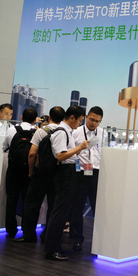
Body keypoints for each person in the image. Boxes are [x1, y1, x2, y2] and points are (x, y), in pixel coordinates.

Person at [44, 105, 88, 261]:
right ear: (72, 118)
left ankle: (55, 247)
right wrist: (79, 147)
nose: (80, 124)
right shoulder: (61, 132)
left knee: (62, 212)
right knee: (59, 212)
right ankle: (51, 250)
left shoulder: (67, 132)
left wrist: (77, 150)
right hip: (64, 173)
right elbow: (60, 156)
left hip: (69, 173)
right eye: (80, 120)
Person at [15, 106, 65, 243]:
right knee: (53, 205)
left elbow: (32, 154)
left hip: (41, 173)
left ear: (50, 117)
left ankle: (29, 235)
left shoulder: (41, 132)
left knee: (31, 204)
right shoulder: (64, 132)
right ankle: (48, 234)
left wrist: (31, 171)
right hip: (57, 174)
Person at [70, 106, 103, 252]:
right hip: (81, 172)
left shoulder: (103, 133)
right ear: (87, 117)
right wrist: (77, 170)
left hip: (96, 173)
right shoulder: (76, 132)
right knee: (77, 207)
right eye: (92, 119)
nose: (93, 123)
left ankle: (100, 241)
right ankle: (77, 238)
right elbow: (72, 154)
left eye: (97, 121)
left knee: (98, 207)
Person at [3, 107, 38, 239]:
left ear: (21, 117)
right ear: (35, 120)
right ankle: (26, 230)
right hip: (28, 171)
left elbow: (4, 148)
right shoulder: (36, 132)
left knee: (11, 200)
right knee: (27, 201)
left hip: (13, 170)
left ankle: (11, 230)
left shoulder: (12, 129)